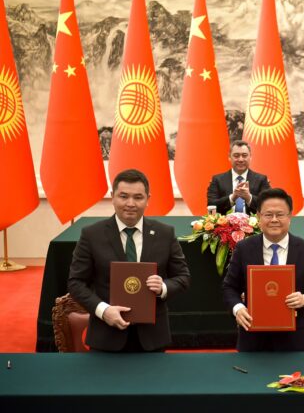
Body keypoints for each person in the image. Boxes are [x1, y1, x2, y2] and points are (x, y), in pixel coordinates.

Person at [67, 169, 190, 352]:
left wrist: (163, 287)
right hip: (106, 336)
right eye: (123, 196)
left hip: (153, 338)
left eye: (138, 197)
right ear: (112, 197)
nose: (130, 204)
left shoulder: (165, 233)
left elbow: (183, 277)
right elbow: (76, 282)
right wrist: (103, 310)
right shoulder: (91, 235)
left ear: (148, 199)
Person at [222, 188, 304, 351]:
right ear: (259, 216)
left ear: (290, 216)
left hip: (294, 340)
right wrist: (238, 308)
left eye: (280, 215)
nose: (274, 220)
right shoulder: (244, 248)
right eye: (268, 214)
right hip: (252, 339)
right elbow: (229, 287)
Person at [207, 140, 271, 214]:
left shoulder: (262, 179)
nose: (240, 159)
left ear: (250, 157)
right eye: (236, 156)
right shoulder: (217, 180)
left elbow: (268, 206)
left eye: (244, 155)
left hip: (253, 221)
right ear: (229, 157)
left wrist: (249, 198)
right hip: (225, 221)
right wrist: (232, 198)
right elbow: (211, 205)